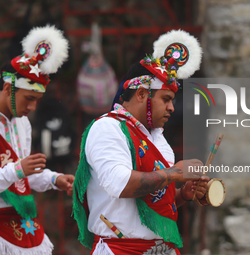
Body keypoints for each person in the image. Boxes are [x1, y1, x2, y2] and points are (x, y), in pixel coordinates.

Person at [73, 30, 210, 255]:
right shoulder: (108, 128)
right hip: (121, 250)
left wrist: (183, 194)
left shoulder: (157, 138)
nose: (172, 108)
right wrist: (175, 173)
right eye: (166, 99)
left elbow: (152, 201)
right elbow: (122, 185)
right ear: (142, 93)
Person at [0, 25, 74, 255]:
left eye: (37, 100)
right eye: (29, 98)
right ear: (8, 88)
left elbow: (24, 174)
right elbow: (18, 172)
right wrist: (17, 170)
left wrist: (54, 179)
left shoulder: (22, 123)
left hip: (22, 220)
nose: (32, 107)